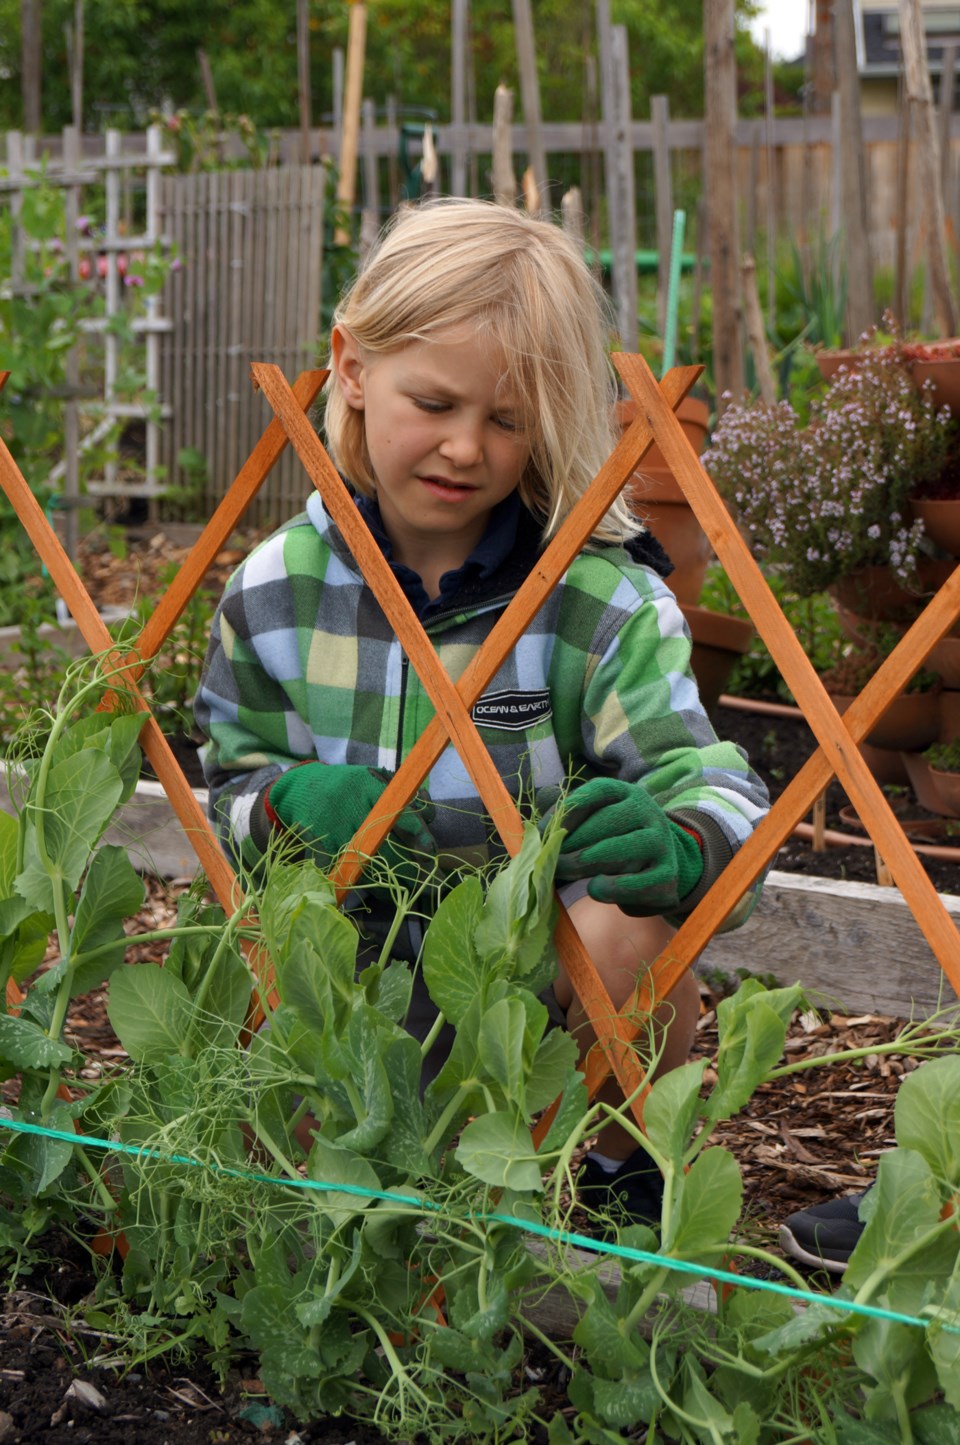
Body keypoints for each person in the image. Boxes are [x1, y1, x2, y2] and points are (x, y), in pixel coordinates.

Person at [194, 197, 770, 1227]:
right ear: (354, 369)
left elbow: (716, 779)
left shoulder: (597, 599)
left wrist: (685, 840)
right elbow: (225, 786)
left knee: (635, 913)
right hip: (354, 999)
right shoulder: (276, 588)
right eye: (437, 401)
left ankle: (600, 1162)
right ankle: (360, 1155)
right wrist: (279, 806)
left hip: (537, 1002)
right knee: (270, 934)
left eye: (507, 421)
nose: (466, 447)